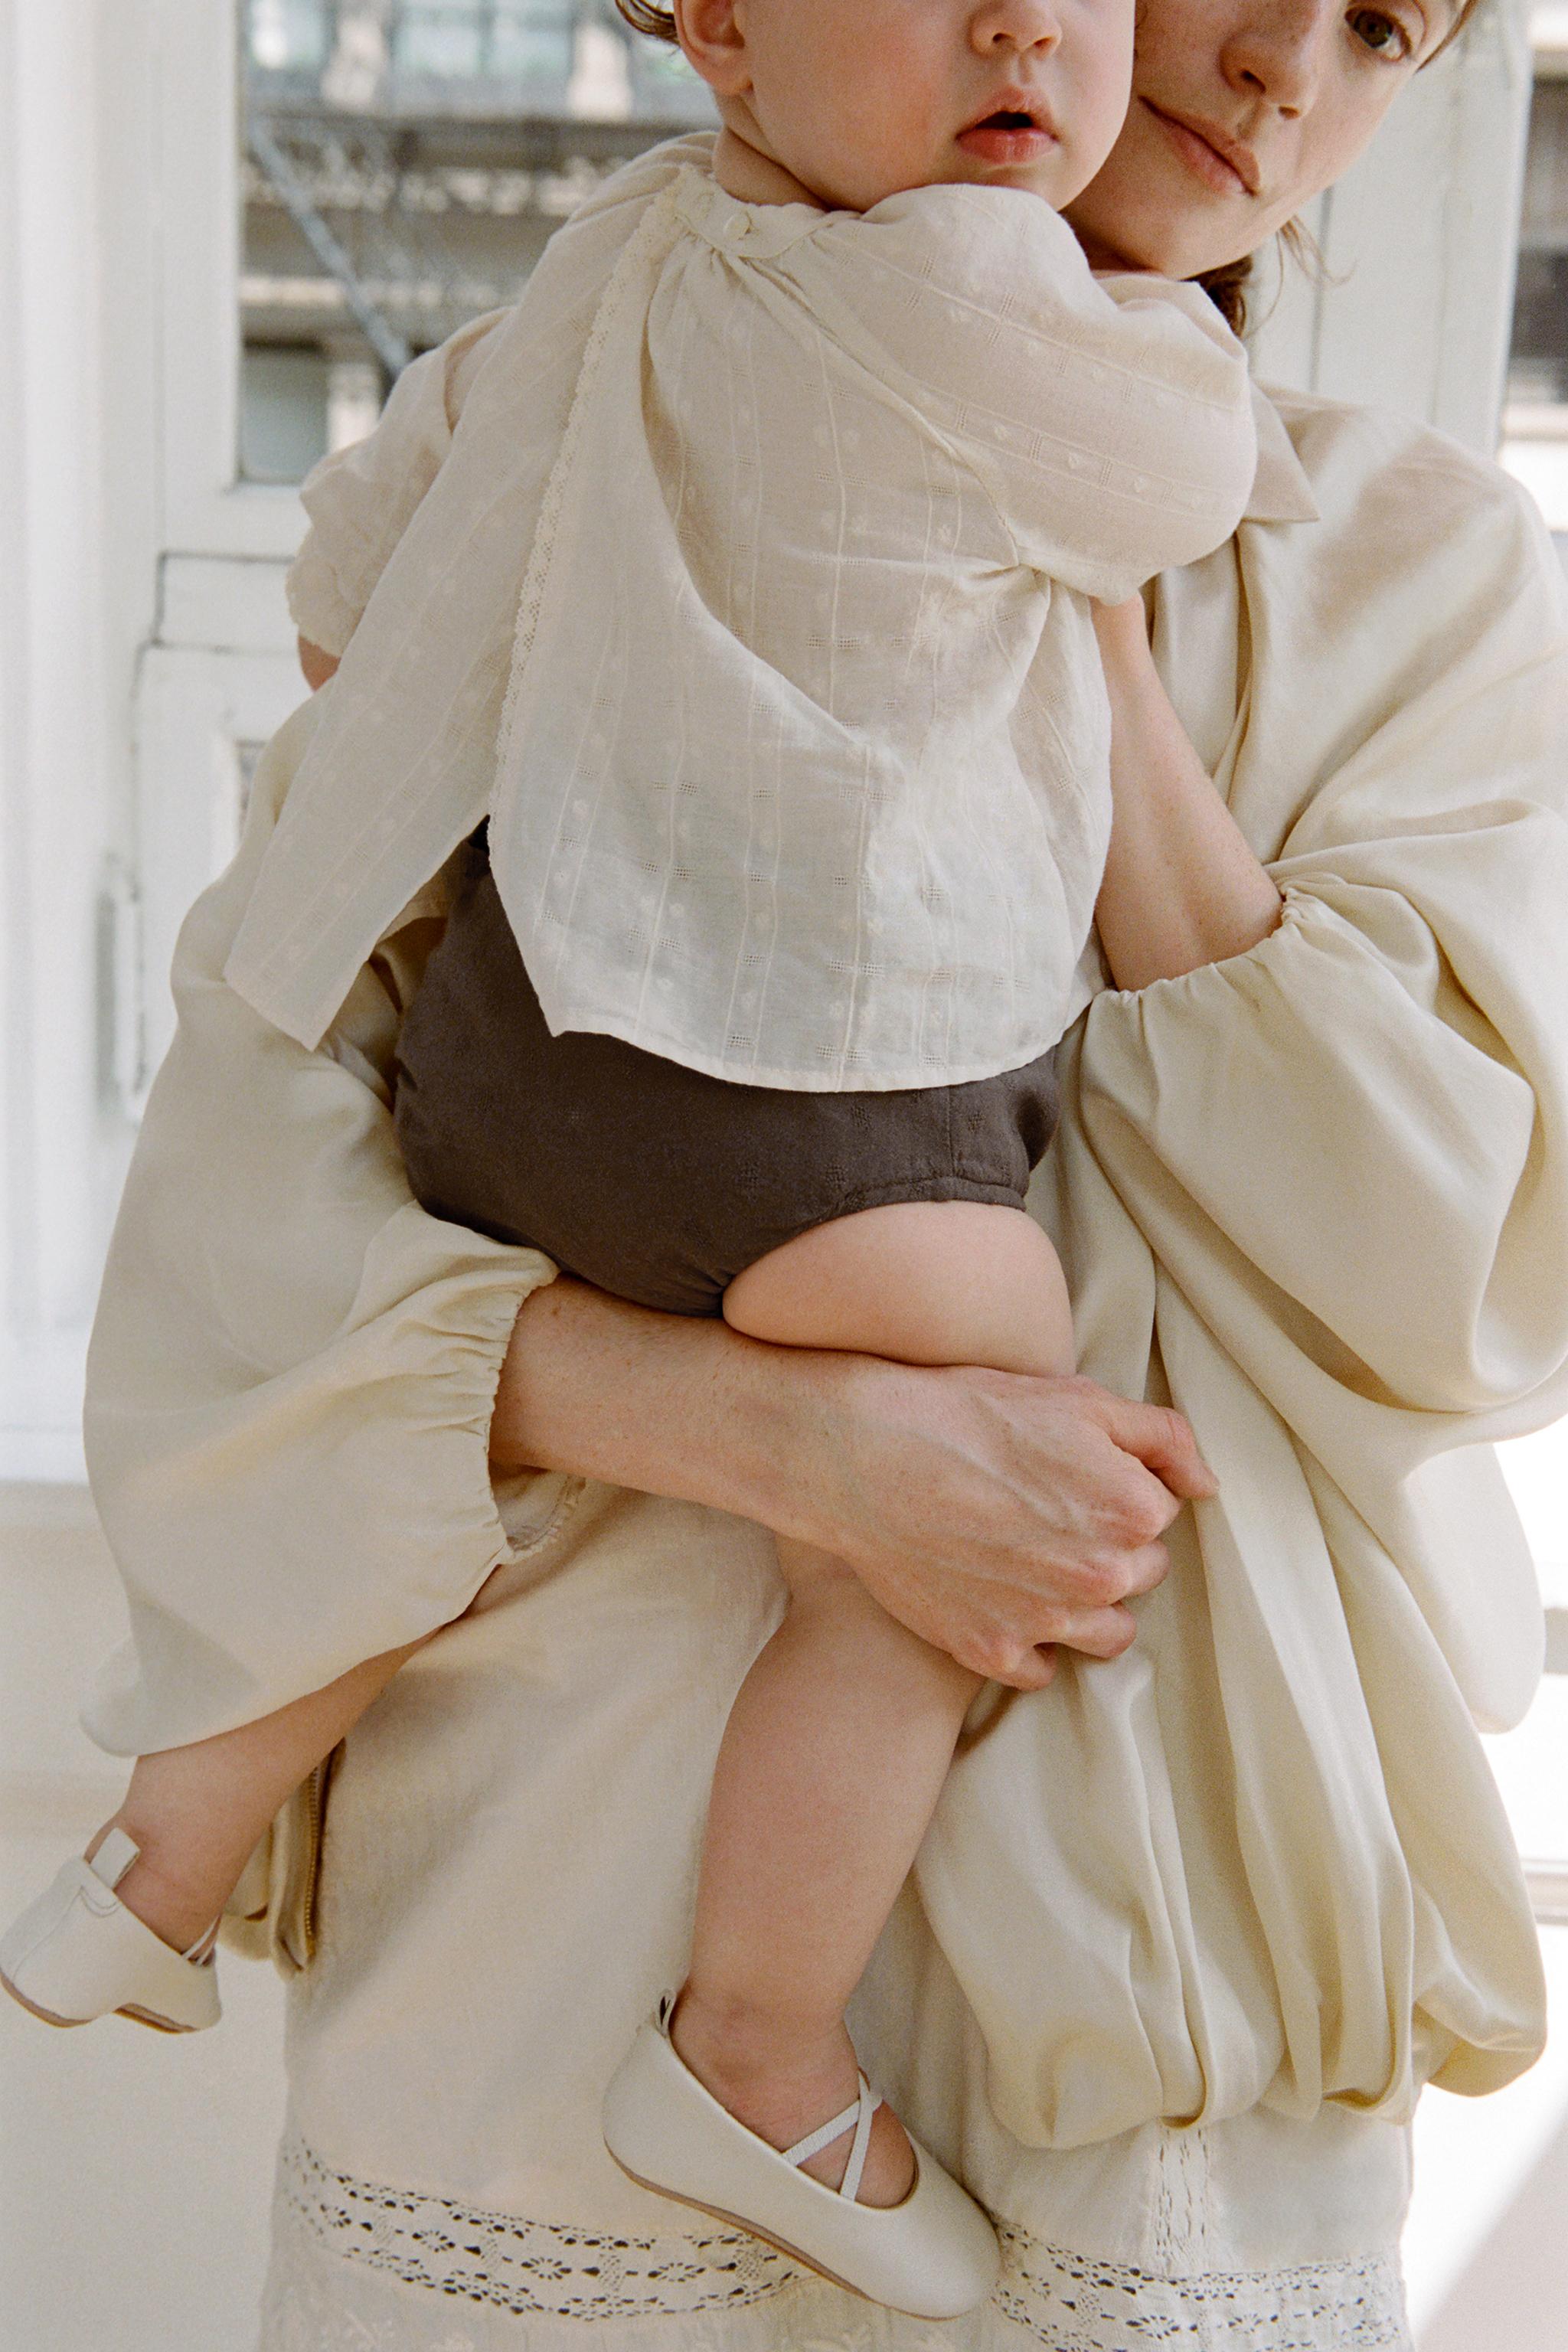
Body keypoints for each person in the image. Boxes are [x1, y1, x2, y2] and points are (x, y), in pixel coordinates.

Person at [20, 0, 1568, 2344]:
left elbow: (1419, 1275)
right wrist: (804, 1444)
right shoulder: (588, 418)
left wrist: (1086, 610)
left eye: (1383, 27)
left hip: (1161, 2018)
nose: (1275, 65)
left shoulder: (1433, 578)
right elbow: (270, 1173)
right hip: (553, 1940)